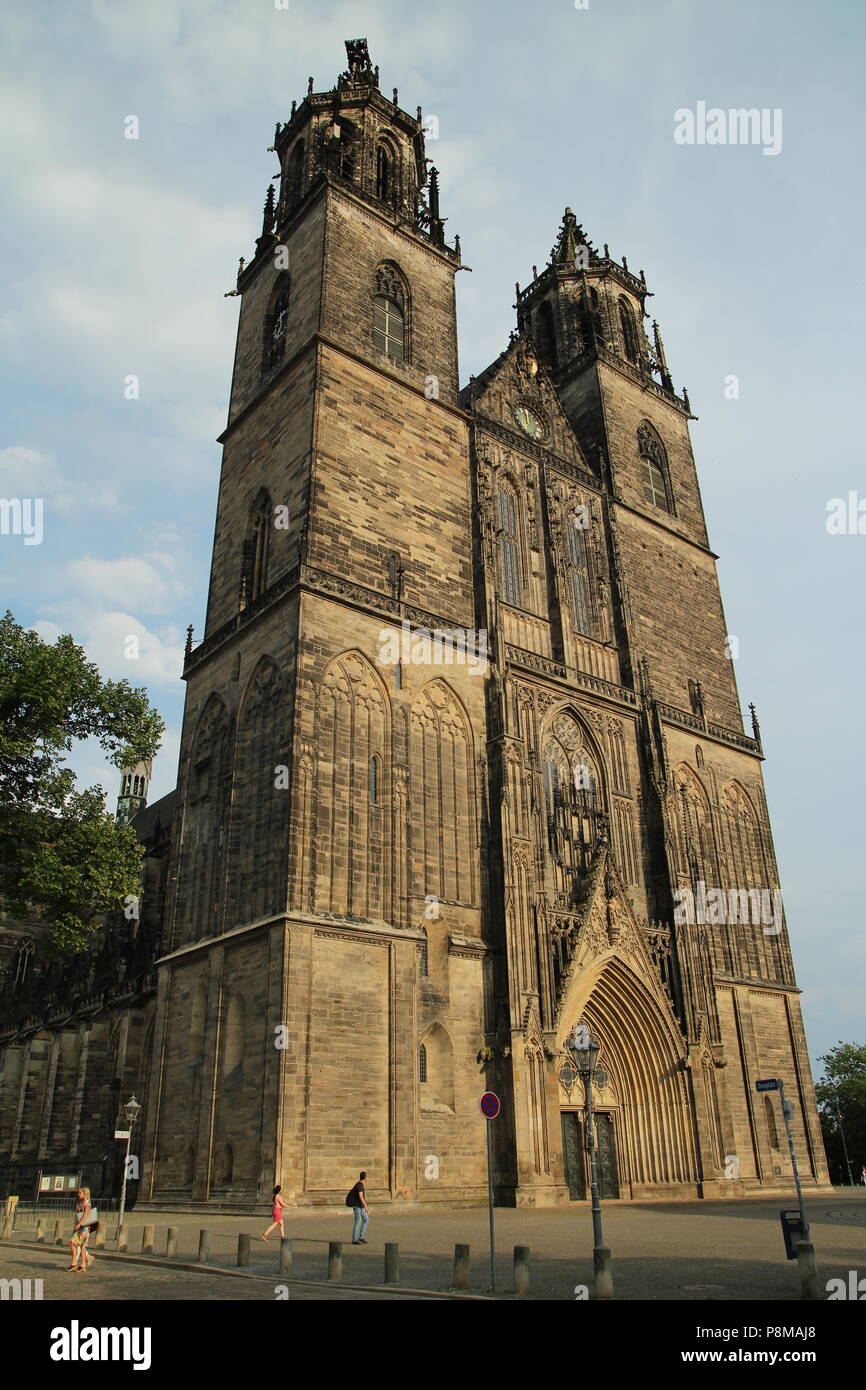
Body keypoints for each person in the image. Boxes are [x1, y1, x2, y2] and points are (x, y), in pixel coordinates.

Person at [68, 1188, 95, 1272]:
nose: (78, 1194)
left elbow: (86, 1213)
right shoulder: (80, 1202)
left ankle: (75, 1264)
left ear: (85, 1194)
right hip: (83, 1228)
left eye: (80, 1193)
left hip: (84, 1228)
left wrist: (79, 1224)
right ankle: (80, 1265)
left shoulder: (86, 1202)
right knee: (81, 1246)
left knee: (73, 1243)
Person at [348, 1171, 369, 1245]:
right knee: (358, 1222)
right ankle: (354, 1239)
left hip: (361, 1207)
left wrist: (364, 1206)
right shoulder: (359, 1185)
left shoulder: (360, 1184)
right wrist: (366, 1206)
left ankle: (361, 1237)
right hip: (357, 1207)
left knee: (366, 1219)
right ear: (365, 1178)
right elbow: (361, 1197)